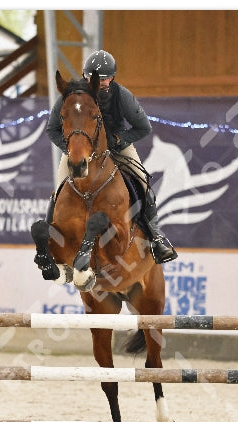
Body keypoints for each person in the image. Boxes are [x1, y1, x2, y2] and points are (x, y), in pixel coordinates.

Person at [45, 49, 177, 264]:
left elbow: (144, 127)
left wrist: (119, 140)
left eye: (105, 78)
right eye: (92, 77)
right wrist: (70, 149)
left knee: (143, 183)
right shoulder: (72, 95)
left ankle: (156, 237)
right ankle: (49, 236)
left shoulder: (122, 95)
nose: (99, 82)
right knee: (59, 188)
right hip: (80, 149)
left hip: (117, 145)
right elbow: (52, 129)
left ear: (112, 78)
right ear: (84, 75)